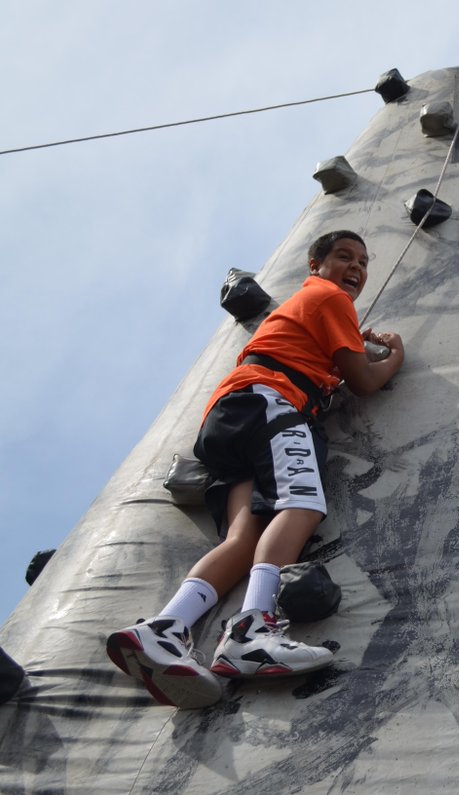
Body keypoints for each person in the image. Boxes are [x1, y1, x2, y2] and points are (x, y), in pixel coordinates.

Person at [106, 230, 404, 709]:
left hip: (231, 415)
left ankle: (164, 629)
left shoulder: (304, 311)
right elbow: (365, 380)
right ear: (315, 265)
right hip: (272, 402)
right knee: (302, 502)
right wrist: (395, 356)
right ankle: (252, 629)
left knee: (243, 539)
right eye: (343, 256)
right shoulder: (327, 296)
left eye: (363, 262)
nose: (356, 268)